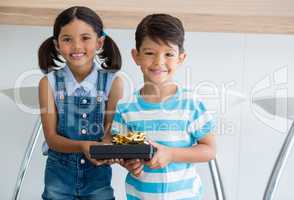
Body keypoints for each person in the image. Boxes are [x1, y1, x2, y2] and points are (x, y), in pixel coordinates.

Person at [111, 14, 216, 199]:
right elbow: (121, 150)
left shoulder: (190, 104)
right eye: (150, 53)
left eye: (168, 54)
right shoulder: (125, 108)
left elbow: (209, 150)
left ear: (181, 58)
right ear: (136, 56)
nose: (159, 62)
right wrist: (128, 162)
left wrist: (171, 154)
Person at [38, 6, 123, 200]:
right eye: (67, 39)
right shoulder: (48, 83)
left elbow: (109, 132)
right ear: (57, 44)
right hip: (58, 179)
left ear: (100, 42)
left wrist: (109, 148)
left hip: (98, 179)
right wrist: (84, 146)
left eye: (85, 38)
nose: (76, 46)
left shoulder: (113, 82)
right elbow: (51, 138)